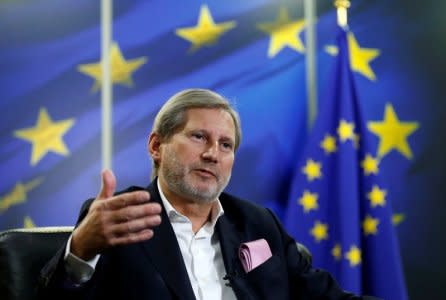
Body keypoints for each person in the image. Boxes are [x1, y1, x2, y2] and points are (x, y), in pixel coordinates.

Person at [38, 89, 379, 299]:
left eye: (225, 145)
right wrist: (81, 249)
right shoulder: (119, 219)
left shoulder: (260, 224)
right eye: (199, 137)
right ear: (157, 146)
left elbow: (325, 297)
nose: (213, 154)